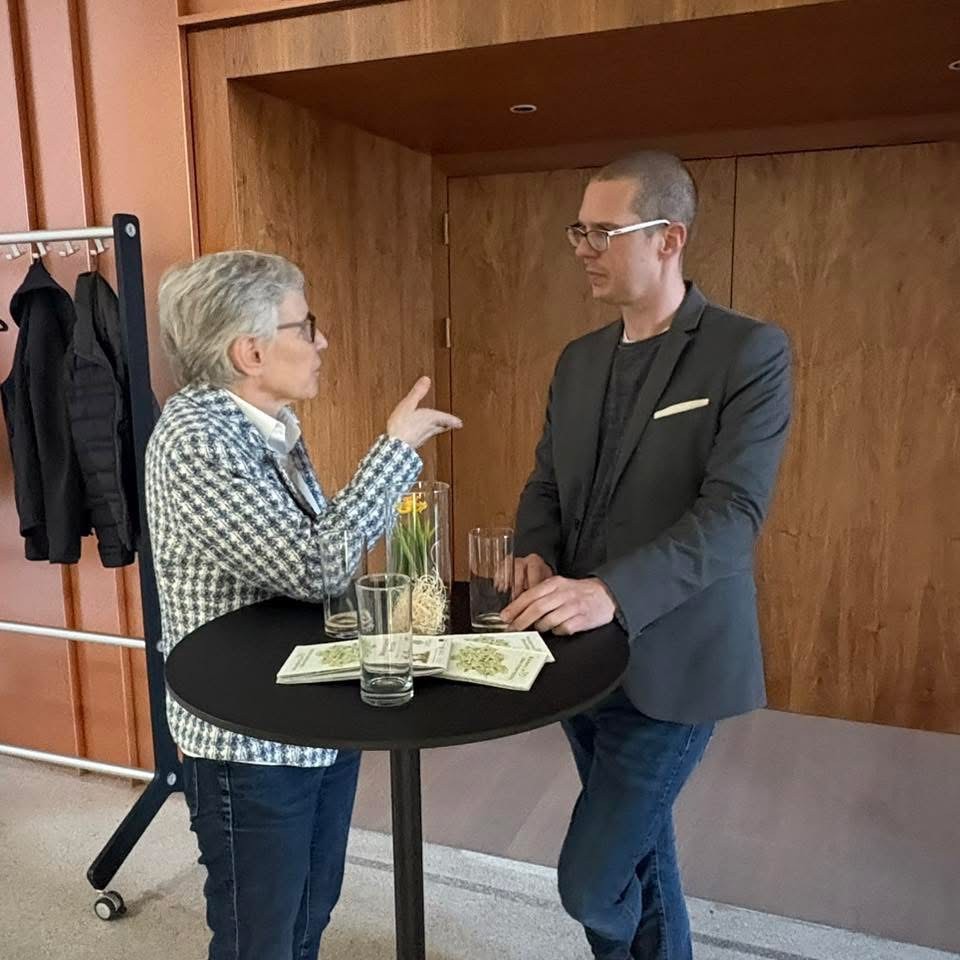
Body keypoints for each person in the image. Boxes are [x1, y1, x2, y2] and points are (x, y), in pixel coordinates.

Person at [502, 151, 791, 960]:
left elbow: (733, 515)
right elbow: (546, 482)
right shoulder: (578, 360)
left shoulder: (747, 351)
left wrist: (609, 592)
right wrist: (535, 550)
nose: (584, 248)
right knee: (640, 858)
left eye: (604, 232)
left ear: (670, 238)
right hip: (579, 658)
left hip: (678, 659)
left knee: (591, 880)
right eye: (579, 231)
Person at [145, 250, 461, 960]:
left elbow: (315, 555)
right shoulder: (196, 439)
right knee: (259, 939)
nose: (323, 342)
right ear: (250, 352)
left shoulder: (271, 426)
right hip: (246, 739)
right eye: (306, 326)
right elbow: (316, 566)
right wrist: (395, 449)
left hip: (308, 712)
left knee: (309, 916)